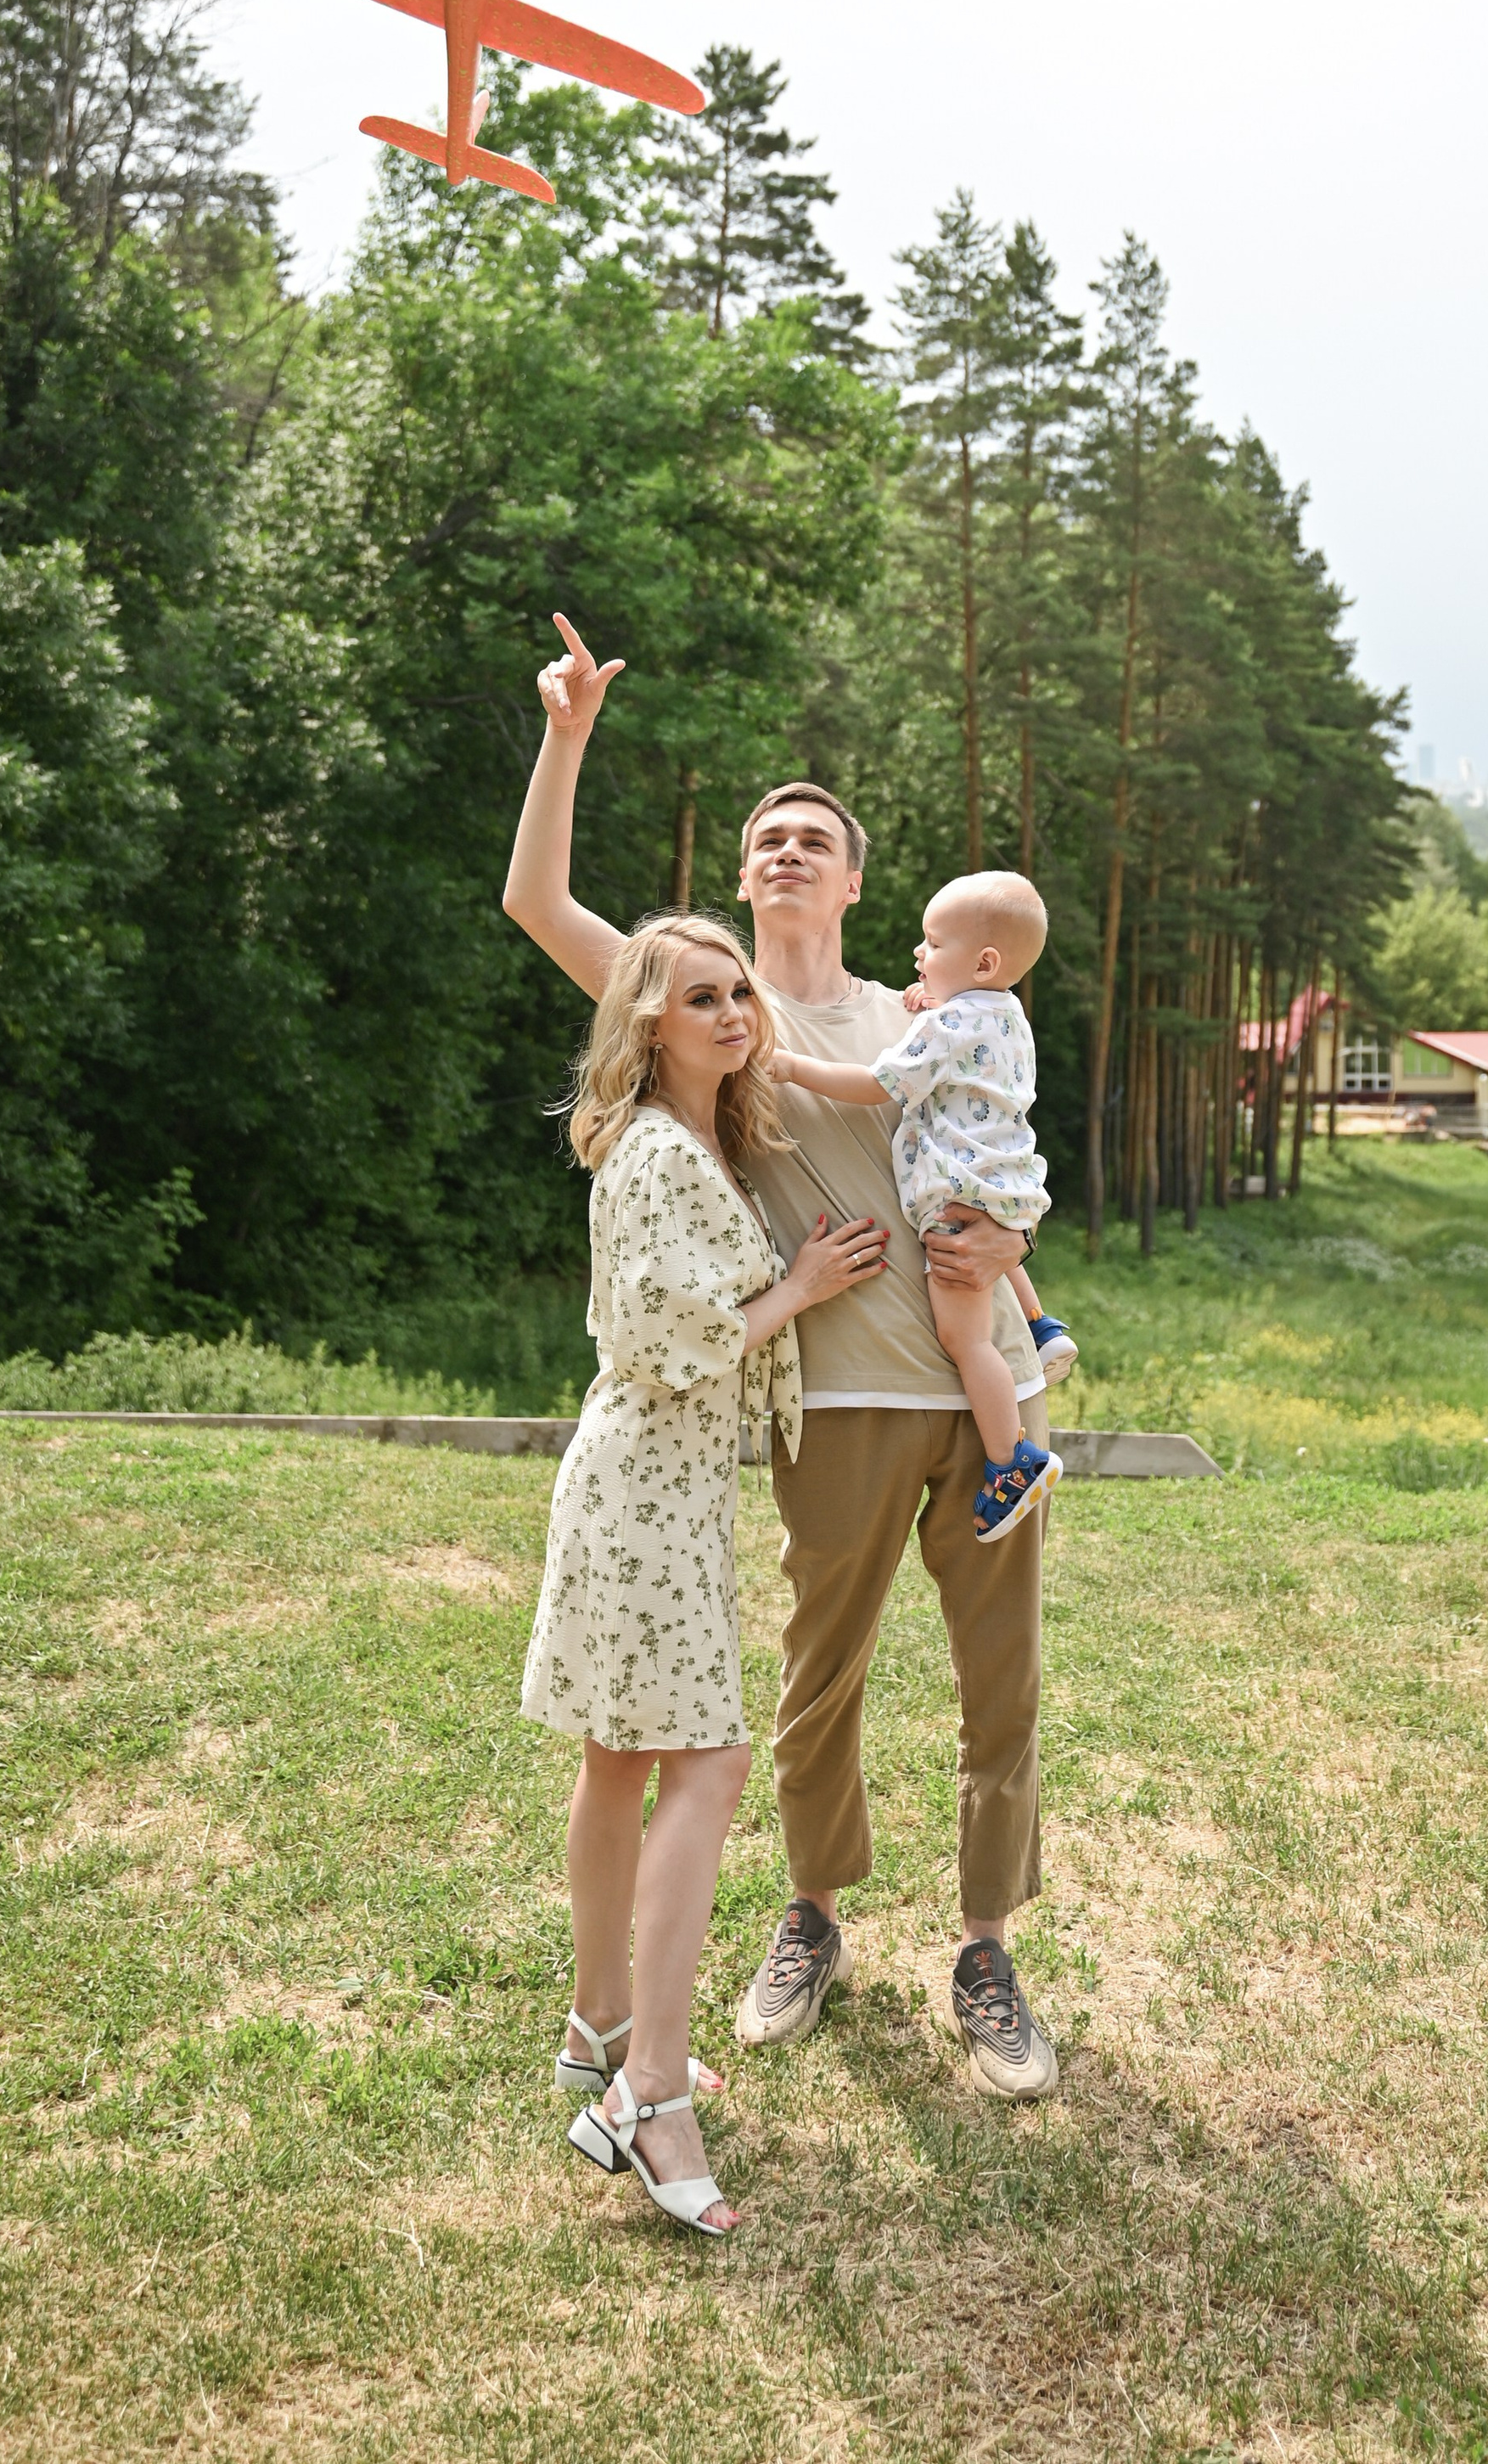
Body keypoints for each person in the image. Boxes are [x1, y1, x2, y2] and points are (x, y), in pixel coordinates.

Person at [503, 613, 1064, 2103]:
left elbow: (986, 1152)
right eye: (770, 838)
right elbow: (535, 897)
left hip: (983, 1384)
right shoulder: (704, 1006)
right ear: (745, 879)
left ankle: (989, 1950)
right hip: (847, 1403)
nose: (791, 851)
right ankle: (812, 1918)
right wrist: (567, 737)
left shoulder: (916, 1013)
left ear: (860, 879)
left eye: (817, 837)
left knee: (999, 1686)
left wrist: (1019, 1264)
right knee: (823, 1686)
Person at [519, 910, 884, 2235]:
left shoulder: (691, 1142)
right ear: (648, 1021)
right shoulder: (657, 1154)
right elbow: (659, 1338)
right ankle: (648, 2092)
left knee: (623, 1756)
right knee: (711, 1761)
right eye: (701, 998)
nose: (733, 1012)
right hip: (643, 1485)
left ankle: (598, 2027)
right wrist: (797, 1287)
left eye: (739, 992)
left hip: (653, 1485)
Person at [771, 869, 1063, 1543]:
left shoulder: (953, 1021)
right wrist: (937, 1000)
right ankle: (1041, 1324)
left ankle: (1010, 1458)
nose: (918, 954)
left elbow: (880, 1084)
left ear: (983, 961)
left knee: (968, 1340)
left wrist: (791, 1067)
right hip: (1006, 1186)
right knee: (993, 1267)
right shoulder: (1006, 1012)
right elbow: (965, 1051)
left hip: (957, 1197)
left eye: (932, 943)